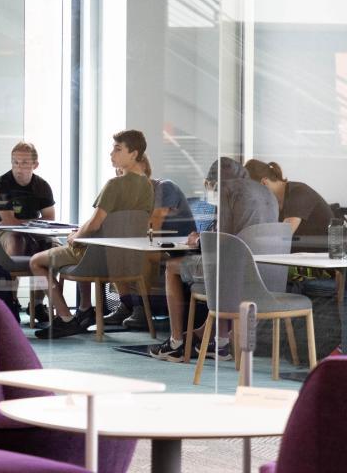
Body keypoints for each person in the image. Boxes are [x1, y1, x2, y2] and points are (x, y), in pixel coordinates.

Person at [149, 157, 278, 362]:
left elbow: (223, 240)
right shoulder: (266, 192)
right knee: (222, 272)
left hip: (235, 272)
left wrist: (200, 239)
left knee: (172, 267)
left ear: (211, 183)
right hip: (267, 274)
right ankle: (216, 340)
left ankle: (176, 343)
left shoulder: (227, 190)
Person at [30, 130, 154, 339]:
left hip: (98, 257)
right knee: (80, 245)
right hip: (122, 259)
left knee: (36, 262)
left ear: (134, 154)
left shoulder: (114, 185)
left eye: (117, 149)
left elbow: (95, 223)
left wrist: (76, 235)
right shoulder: (148, 187)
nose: (111, 153)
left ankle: (66, 318)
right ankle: (85, 309)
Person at [105, 154, 197, 329]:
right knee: (114, 252)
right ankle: (127, 305)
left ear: (143, 169)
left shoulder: (165, 187)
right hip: (157, 245)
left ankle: (142, 309)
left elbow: (155, 222)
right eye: (121, 174)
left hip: (179, 249)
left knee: (145, 254)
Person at [0, 142, 56, 321]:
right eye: (15, 162)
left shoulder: (42, 186)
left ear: (35, 165)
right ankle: (11, 300)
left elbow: (50, 217)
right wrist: (32, 222)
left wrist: (27, 224)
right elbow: (9, 222)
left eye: (25, 163)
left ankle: (37, 304)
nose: (19, 167)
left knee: (52, 248)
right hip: (3, 233)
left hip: (33, 232)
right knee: (16, 241)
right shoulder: (0, 183)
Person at [245, 159, 333, 252]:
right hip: (302, 257)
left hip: (325, 258)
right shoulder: (273, 203)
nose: (253, 196)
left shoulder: (299, 192)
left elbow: (283, 235)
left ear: (264, 182)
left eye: (252, 191)